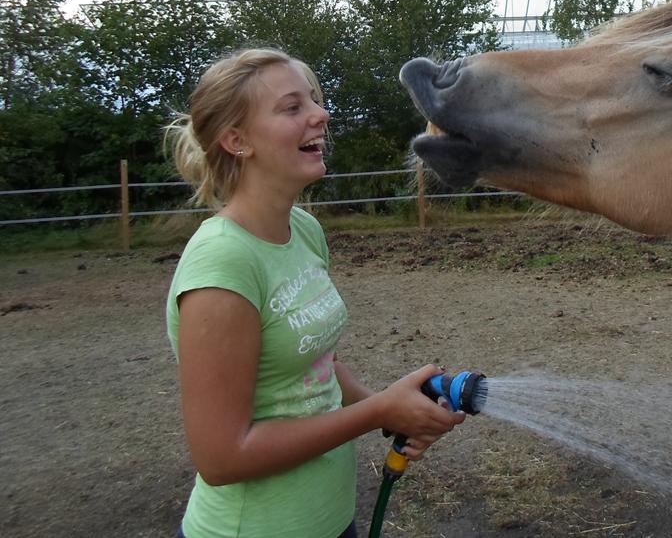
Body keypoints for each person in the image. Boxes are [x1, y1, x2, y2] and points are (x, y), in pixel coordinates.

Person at [163, 48, 464, 538]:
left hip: (330, 519)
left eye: (314, 101)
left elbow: (318, 366)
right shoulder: (222, 262)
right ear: (237, 140)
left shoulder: (302, 229)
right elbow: (222, 457)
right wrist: (378, 410)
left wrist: (391, 410)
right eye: (292, 107)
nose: (320, 115)